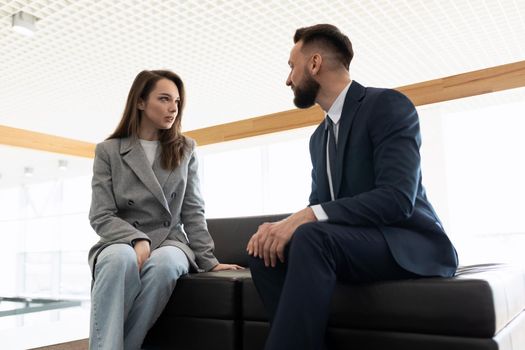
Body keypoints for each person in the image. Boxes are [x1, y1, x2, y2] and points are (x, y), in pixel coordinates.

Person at [247, 24, 458, 350]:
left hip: (403, 240)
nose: (288, 79)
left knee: (311, 235)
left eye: (292, 66)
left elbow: (397, 198)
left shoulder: (388, 105)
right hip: (355, 243)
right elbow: (319, 203)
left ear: (314, 64)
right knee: (264, 251)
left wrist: (304, 218)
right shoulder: (318, 139)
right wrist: (286, 226)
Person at [88, 69, 242, 350]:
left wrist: (208, 260)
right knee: (118, 259)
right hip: (121, 238)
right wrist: (136, 238)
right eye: (164, 99)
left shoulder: (185, 148)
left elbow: (193, 210)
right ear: (140, 102)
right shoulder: (108, 151)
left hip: (170, 240)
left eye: (177, 101)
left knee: (167, 263)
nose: (173, 108)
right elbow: (100, 215)